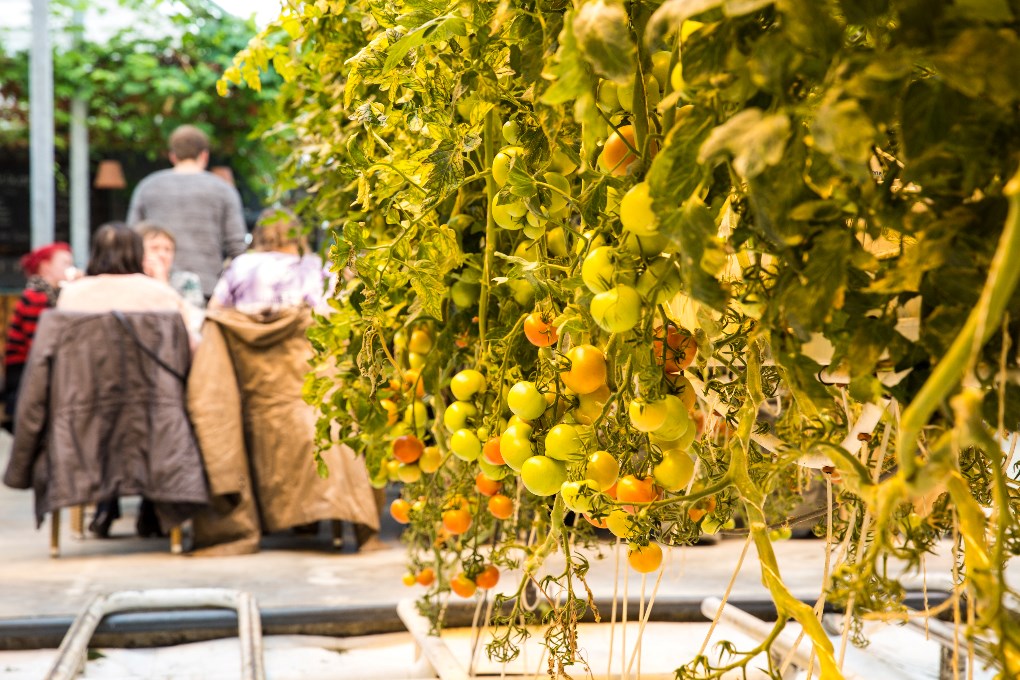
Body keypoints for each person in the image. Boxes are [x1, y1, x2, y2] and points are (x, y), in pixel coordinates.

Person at [189, 207, 382, 554]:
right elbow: (329, 317)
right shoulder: (312, 268)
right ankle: (320, 514)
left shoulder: (239, 267)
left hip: (253, 389)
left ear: (260, 235)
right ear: (297, 235)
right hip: (306, 383)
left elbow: (215, 317)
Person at [57, 222, 198, 537]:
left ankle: (105, 506)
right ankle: (154, 508)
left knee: (112, 415)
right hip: (153, 410)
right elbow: (190, 347)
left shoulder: (71, 296)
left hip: (84, 409)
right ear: (138, 254)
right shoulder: (158, 293)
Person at [126, 125, 248, 301]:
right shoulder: (223, 190)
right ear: (204, 155)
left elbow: (131, 239)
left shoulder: (147, 187)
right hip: (208, 288)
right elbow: (237, 247)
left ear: (173, 156)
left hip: (154, 288)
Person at [2, 242, 76, 431]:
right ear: (45, 266)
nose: (70, 269)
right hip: (25, 373)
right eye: (65, 263)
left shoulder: (51, 294)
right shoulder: (37, 296)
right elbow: (38, 342)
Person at [137, 222, 205, 308]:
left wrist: (161, 280)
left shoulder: (187, 281)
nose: (162, 254)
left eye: (168, 249)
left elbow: (194, 317)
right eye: (154, 248)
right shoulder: (127, 280)